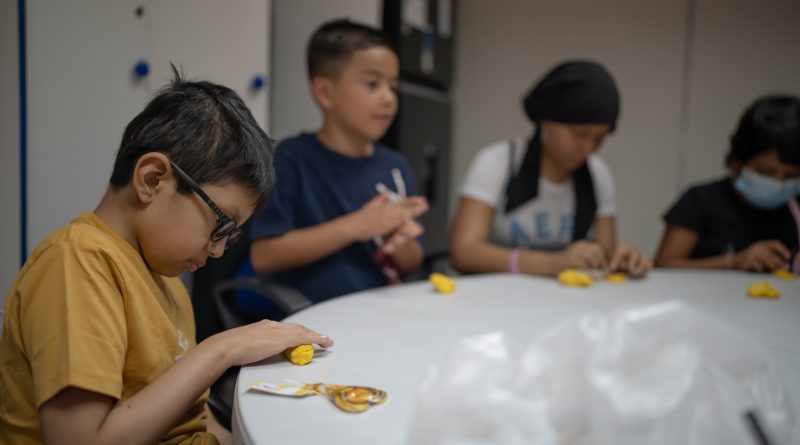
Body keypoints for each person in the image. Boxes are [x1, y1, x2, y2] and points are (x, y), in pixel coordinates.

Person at [0, 68, 334, 445]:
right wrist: (221, 350)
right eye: (221, 225)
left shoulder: (167, 280)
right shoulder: (76, 262)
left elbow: (193, 420)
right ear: (153, 179)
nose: (220, 249)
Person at [241, 19, 428, 317]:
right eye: (372, 84)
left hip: (386, 314)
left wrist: (401, 241)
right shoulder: (290, 158)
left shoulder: (396, 166)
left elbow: (412, 262)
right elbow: (264, 256)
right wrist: (356, 226)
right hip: (317, 320)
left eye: (393, 86)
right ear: (325, 92)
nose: (389, 99)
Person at [450, 60, 651, 277]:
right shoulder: (498, 163)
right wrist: (551, 264)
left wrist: (617, 258)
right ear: (546, 120)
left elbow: (602, 252)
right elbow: (463, 252)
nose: (588, 148)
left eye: (599, 138)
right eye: (579, 134)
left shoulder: (597, 173)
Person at [655, 95, 800, 272]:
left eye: (791, 175)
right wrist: (733, 262)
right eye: (766, 172)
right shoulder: (700, 201)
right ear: (737, 163)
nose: (779, 183)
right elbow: (664, 266)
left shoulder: (795, 206)